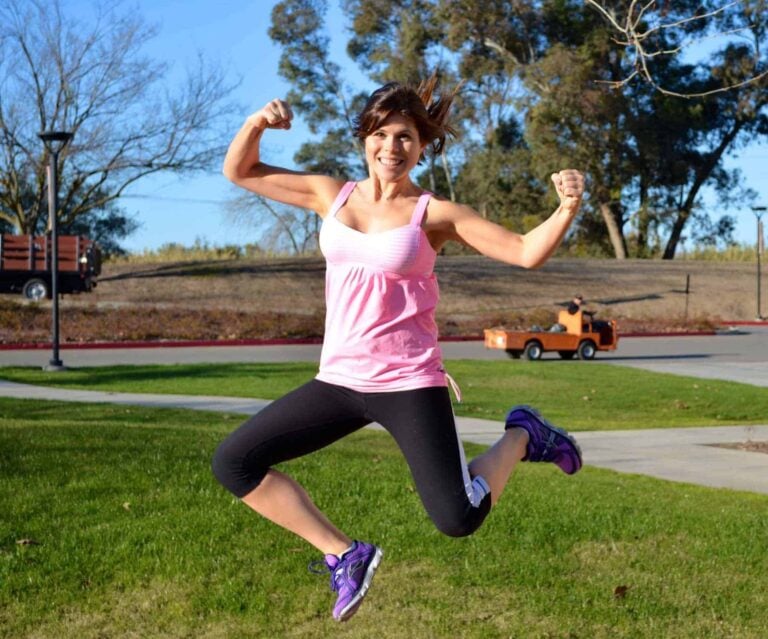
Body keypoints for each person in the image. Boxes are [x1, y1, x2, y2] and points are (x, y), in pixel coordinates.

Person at [212, 75, 586, 623]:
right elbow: (239, 170)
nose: (392, 147)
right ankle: (345, 554)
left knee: (458, 518)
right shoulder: (329, 194)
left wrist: (567, 207)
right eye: (382, 134)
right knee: (235, 462)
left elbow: (526, 252)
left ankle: (523, 436)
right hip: (339, 381)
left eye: (405, 136)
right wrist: (256, 124)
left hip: (408, 382)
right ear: (365, 138)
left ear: (421, 145)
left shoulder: (433, 215)